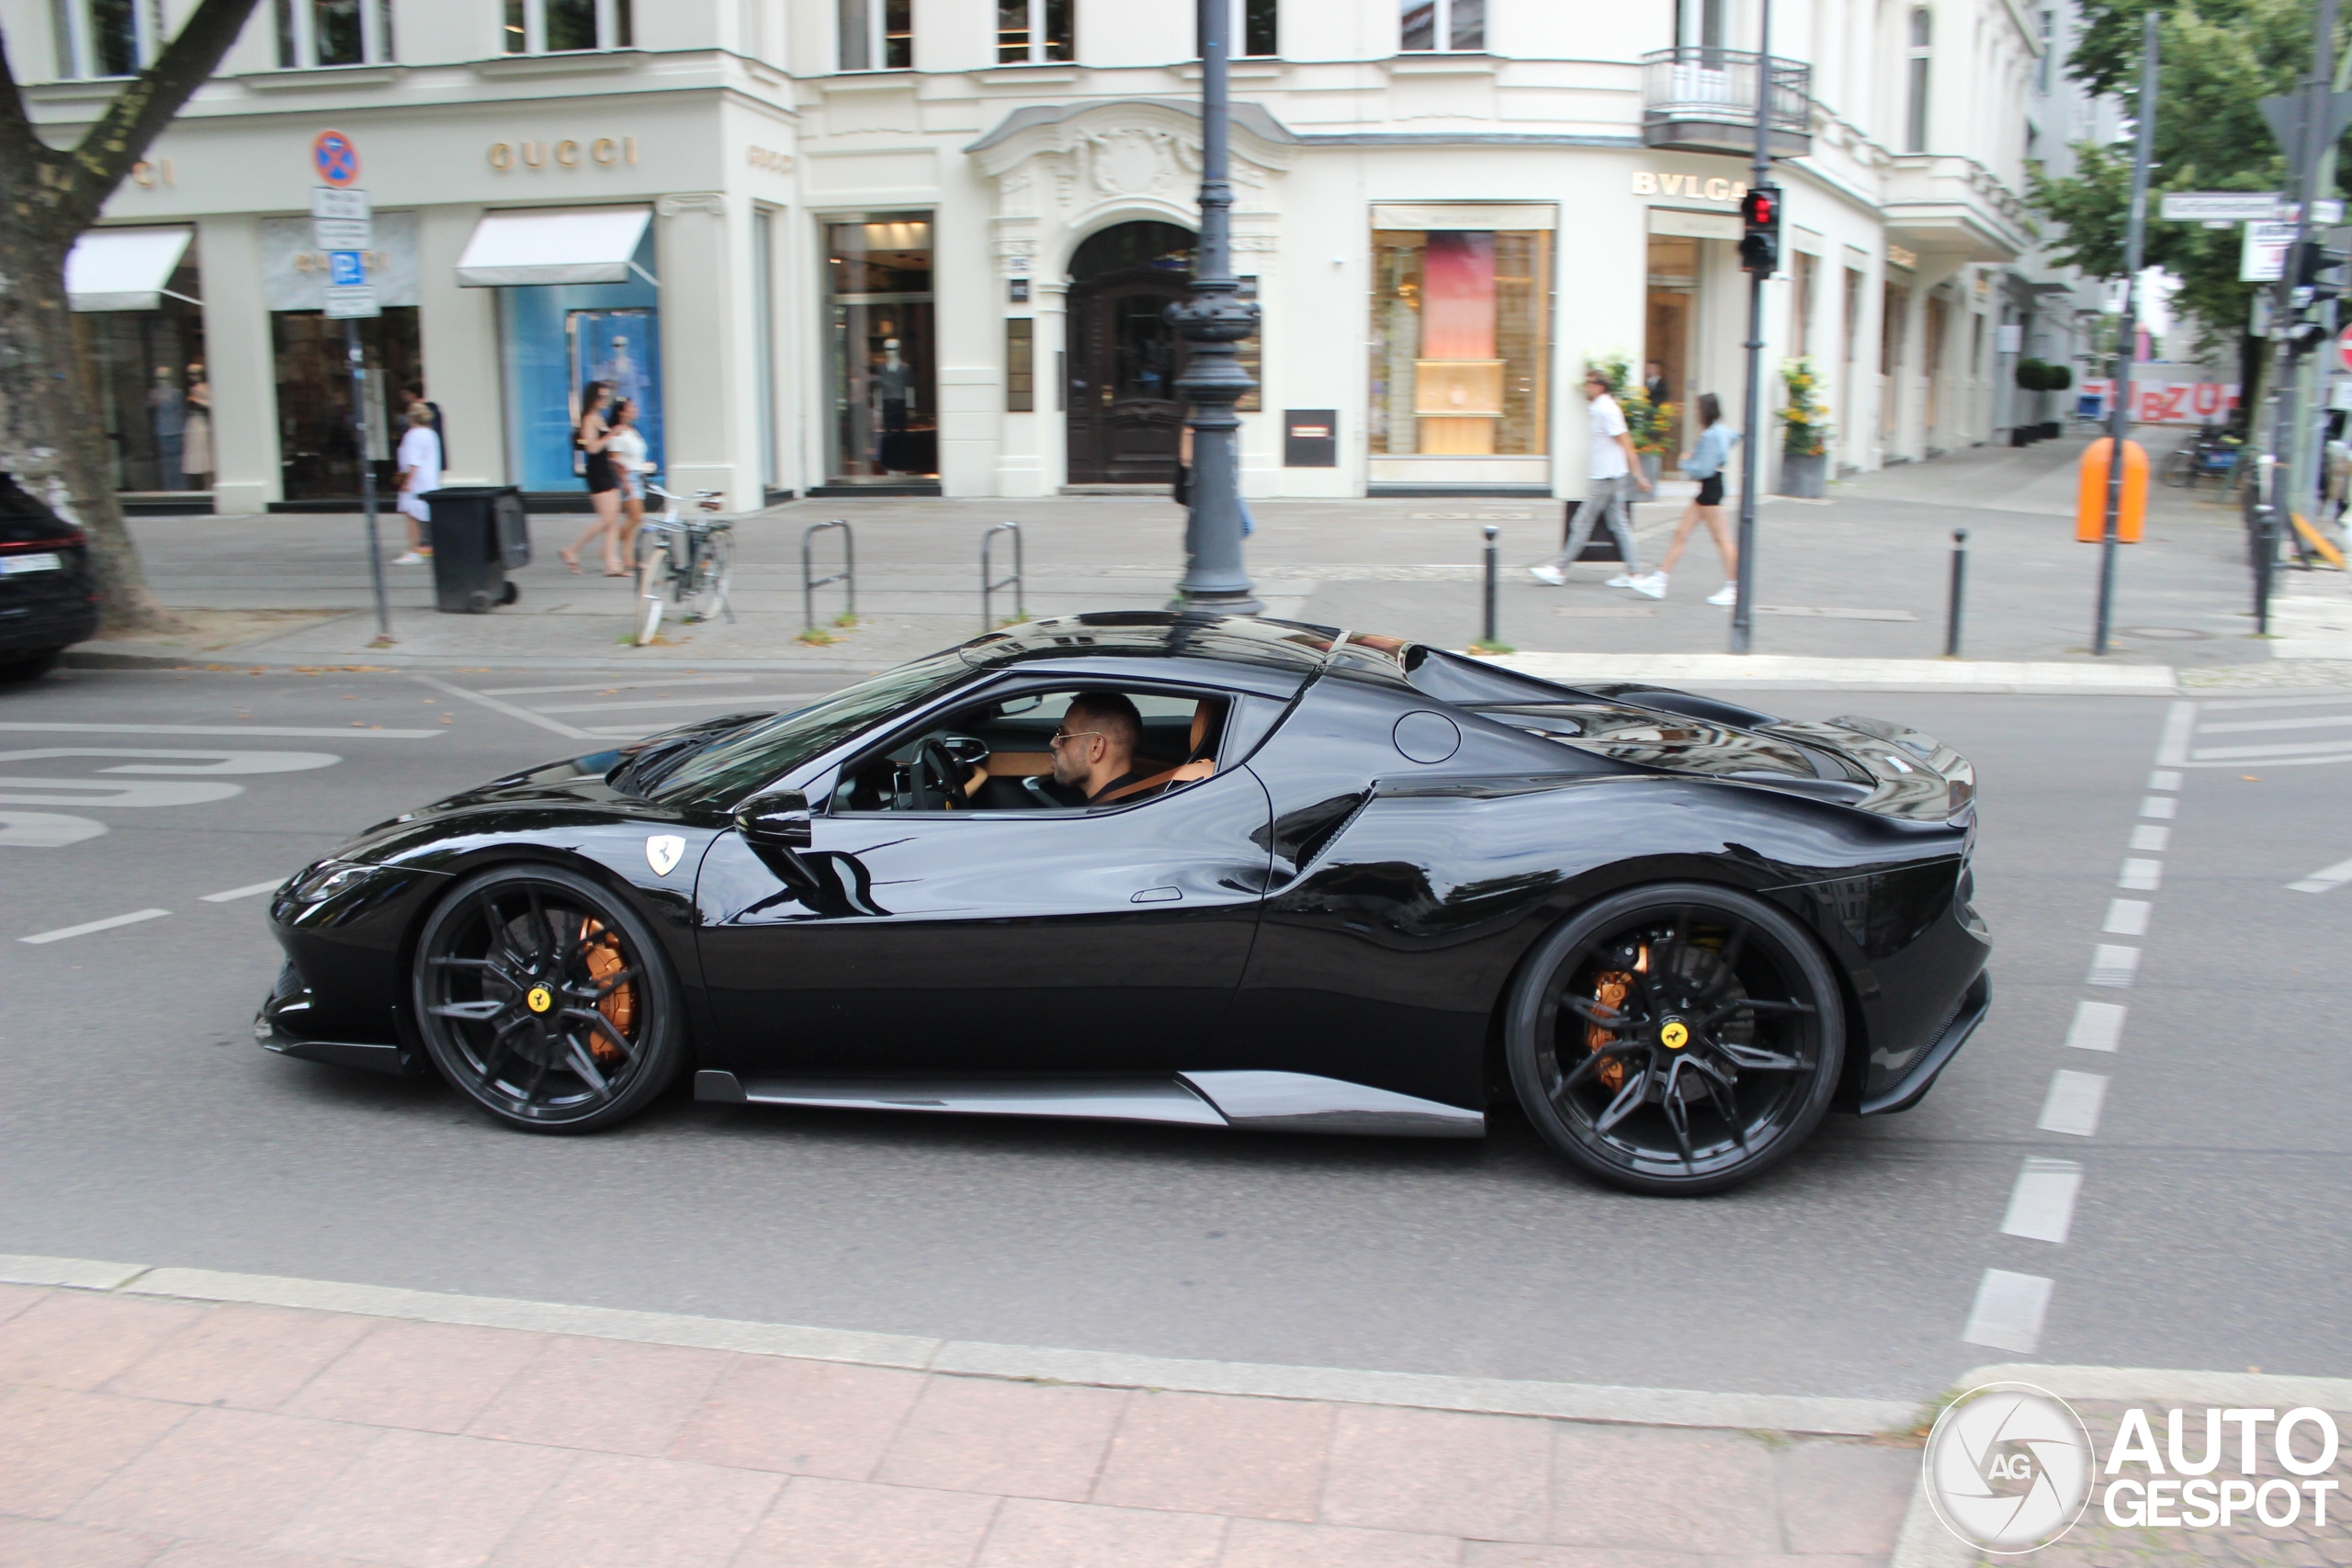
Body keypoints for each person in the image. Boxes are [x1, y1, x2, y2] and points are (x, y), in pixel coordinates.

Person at [1531, 368, 1652, 592]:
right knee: (1619, 525)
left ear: (1600, 386)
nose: (1586, 386)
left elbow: (1626, 443)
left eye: (1589, 382)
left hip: (1606, 477)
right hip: (1610, 475)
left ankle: (1559, 569)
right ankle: (1633, 572)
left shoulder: (1607, 410)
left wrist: (1639, 475)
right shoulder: (1601, 409)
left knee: (1582, 522)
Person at [1632, 392, 1740, 605]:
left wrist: (1685, 462)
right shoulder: (1720, 431)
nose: (1695, 411)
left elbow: (1703, 469)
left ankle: (1734, 588)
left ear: (1705, 410)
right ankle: (1660, 580)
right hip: (1709, 490)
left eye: (1698, 408)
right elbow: (1735, 438)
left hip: (1710, 490)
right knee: (1681, 533)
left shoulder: (1710, 435)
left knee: (1722, 539)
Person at [1048, 692, 1162, 805]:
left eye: (1062, 734)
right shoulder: (1139, 802)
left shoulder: (1110, 816)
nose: (1053, 743)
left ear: (1096, 747)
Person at [561, 380, 627, 576]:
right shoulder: (589, 418)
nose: (603, 400)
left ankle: (612, 563)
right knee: (607, 519)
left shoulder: (599, 417)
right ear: (591, 398)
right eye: (599, 397)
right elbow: (592, 447)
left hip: (607, 469)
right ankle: (572, 549)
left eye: (606, 397)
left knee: (613, 519)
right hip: (597, 472)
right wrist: (611, 434)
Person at [390, 403, 442, 565]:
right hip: (429, 478)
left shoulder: (413, 435)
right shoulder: (431, 434)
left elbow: (413, 462)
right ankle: (427, 546)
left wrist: (407, 481)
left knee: (412, 515)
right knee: (425, 514)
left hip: (417, 480)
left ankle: (413, 551)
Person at [606, 397, 650, 565]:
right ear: (621, 412)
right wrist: (624, 482)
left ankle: (627, 558)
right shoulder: (618, 433)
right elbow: (614, 460)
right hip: (627, 477)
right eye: (630, 407)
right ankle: (609, 544)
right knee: (636, 517)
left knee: (634, 518)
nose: (635, 410)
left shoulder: (632, 430)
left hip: (637, 475)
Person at [147, 367, 185, 491]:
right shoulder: (154, 394)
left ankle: (180, 489)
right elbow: (149, 410)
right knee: (165, 463)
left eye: (164, 378)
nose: (162, 381)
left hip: (176, 431)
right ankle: (169, 489)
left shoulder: (176, 393)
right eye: (159, 378)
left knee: (178, 462)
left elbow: (181, 412)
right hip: (162, 432)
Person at [180, 362, 212, 491]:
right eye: (190, 374)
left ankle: (209, 484)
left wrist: (196, 401)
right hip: (194, 424)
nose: (192, 376)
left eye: (195, 373)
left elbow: (212, 404)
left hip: (203, 424)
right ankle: (204, 486)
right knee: (198, 455)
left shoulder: (205, 388)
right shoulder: (192, 389)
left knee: (206, 454)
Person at [400, 380, 446, 469]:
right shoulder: (433, 409)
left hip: (422, 461)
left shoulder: (419, 412)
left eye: (405, 394)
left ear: (413, 394)